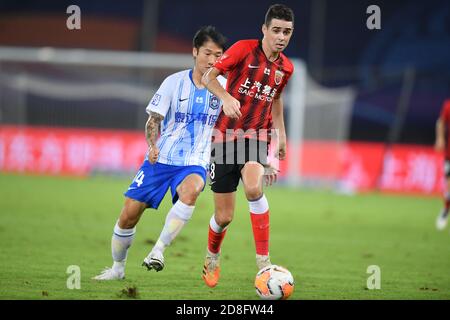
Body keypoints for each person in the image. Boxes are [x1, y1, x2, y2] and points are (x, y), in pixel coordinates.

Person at [93, 26, 227, 280]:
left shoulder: (223, 87)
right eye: (208, 53)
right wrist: (152, 146)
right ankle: (117, 269)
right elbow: (154, 120)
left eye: (218, 55)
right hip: (160, 159)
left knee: (193, 189)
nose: (212, 60)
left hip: (194, 161)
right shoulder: (173, 82)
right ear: (194, 51)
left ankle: (158, 250)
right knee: (128, 215)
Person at [200, 4, 295, 287]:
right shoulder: (243, 50)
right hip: (225, 138)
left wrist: (281, 135)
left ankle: (264, 263)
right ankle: (212, 255)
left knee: (254, 188)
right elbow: (208, 77)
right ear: (264, 30)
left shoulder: (286, 68)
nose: (281, 36)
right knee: (224, 216)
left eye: (287, 32)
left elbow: (276, 101)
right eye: (276, 30)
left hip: (256, 136)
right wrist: (226, 98)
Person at [435, 98, 450, 230]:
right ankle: (445, 210)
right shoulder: (448, 105)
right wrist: (440, 138)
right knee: (449, 186)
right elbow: (441, 122)